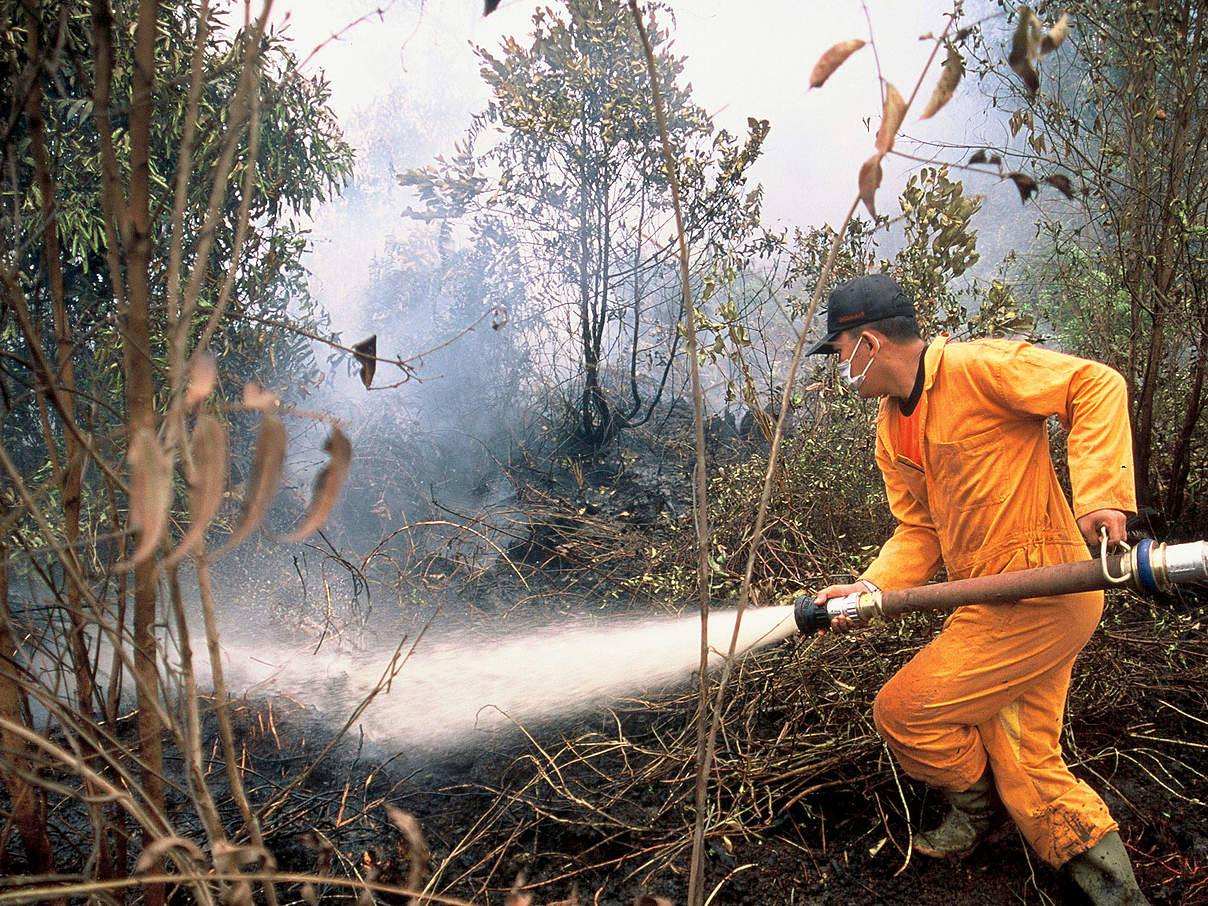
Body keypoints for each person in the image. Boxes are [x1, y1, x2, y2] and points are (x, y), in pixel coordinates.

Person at [807, 274, 1149, 906]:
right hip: (990, 603)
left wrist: (1100, 496)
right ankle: (1114, 894)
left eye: (842, 352)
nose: (841, 371)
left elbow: (1094, 384)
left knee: (904, 713)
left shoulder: (974, 368)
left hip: (1044, 593)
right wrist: (869, 586)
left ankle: (976, 811)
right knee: (1026, 760)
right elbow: (920, 528)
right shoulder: (892, 429)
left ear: (869, 342)